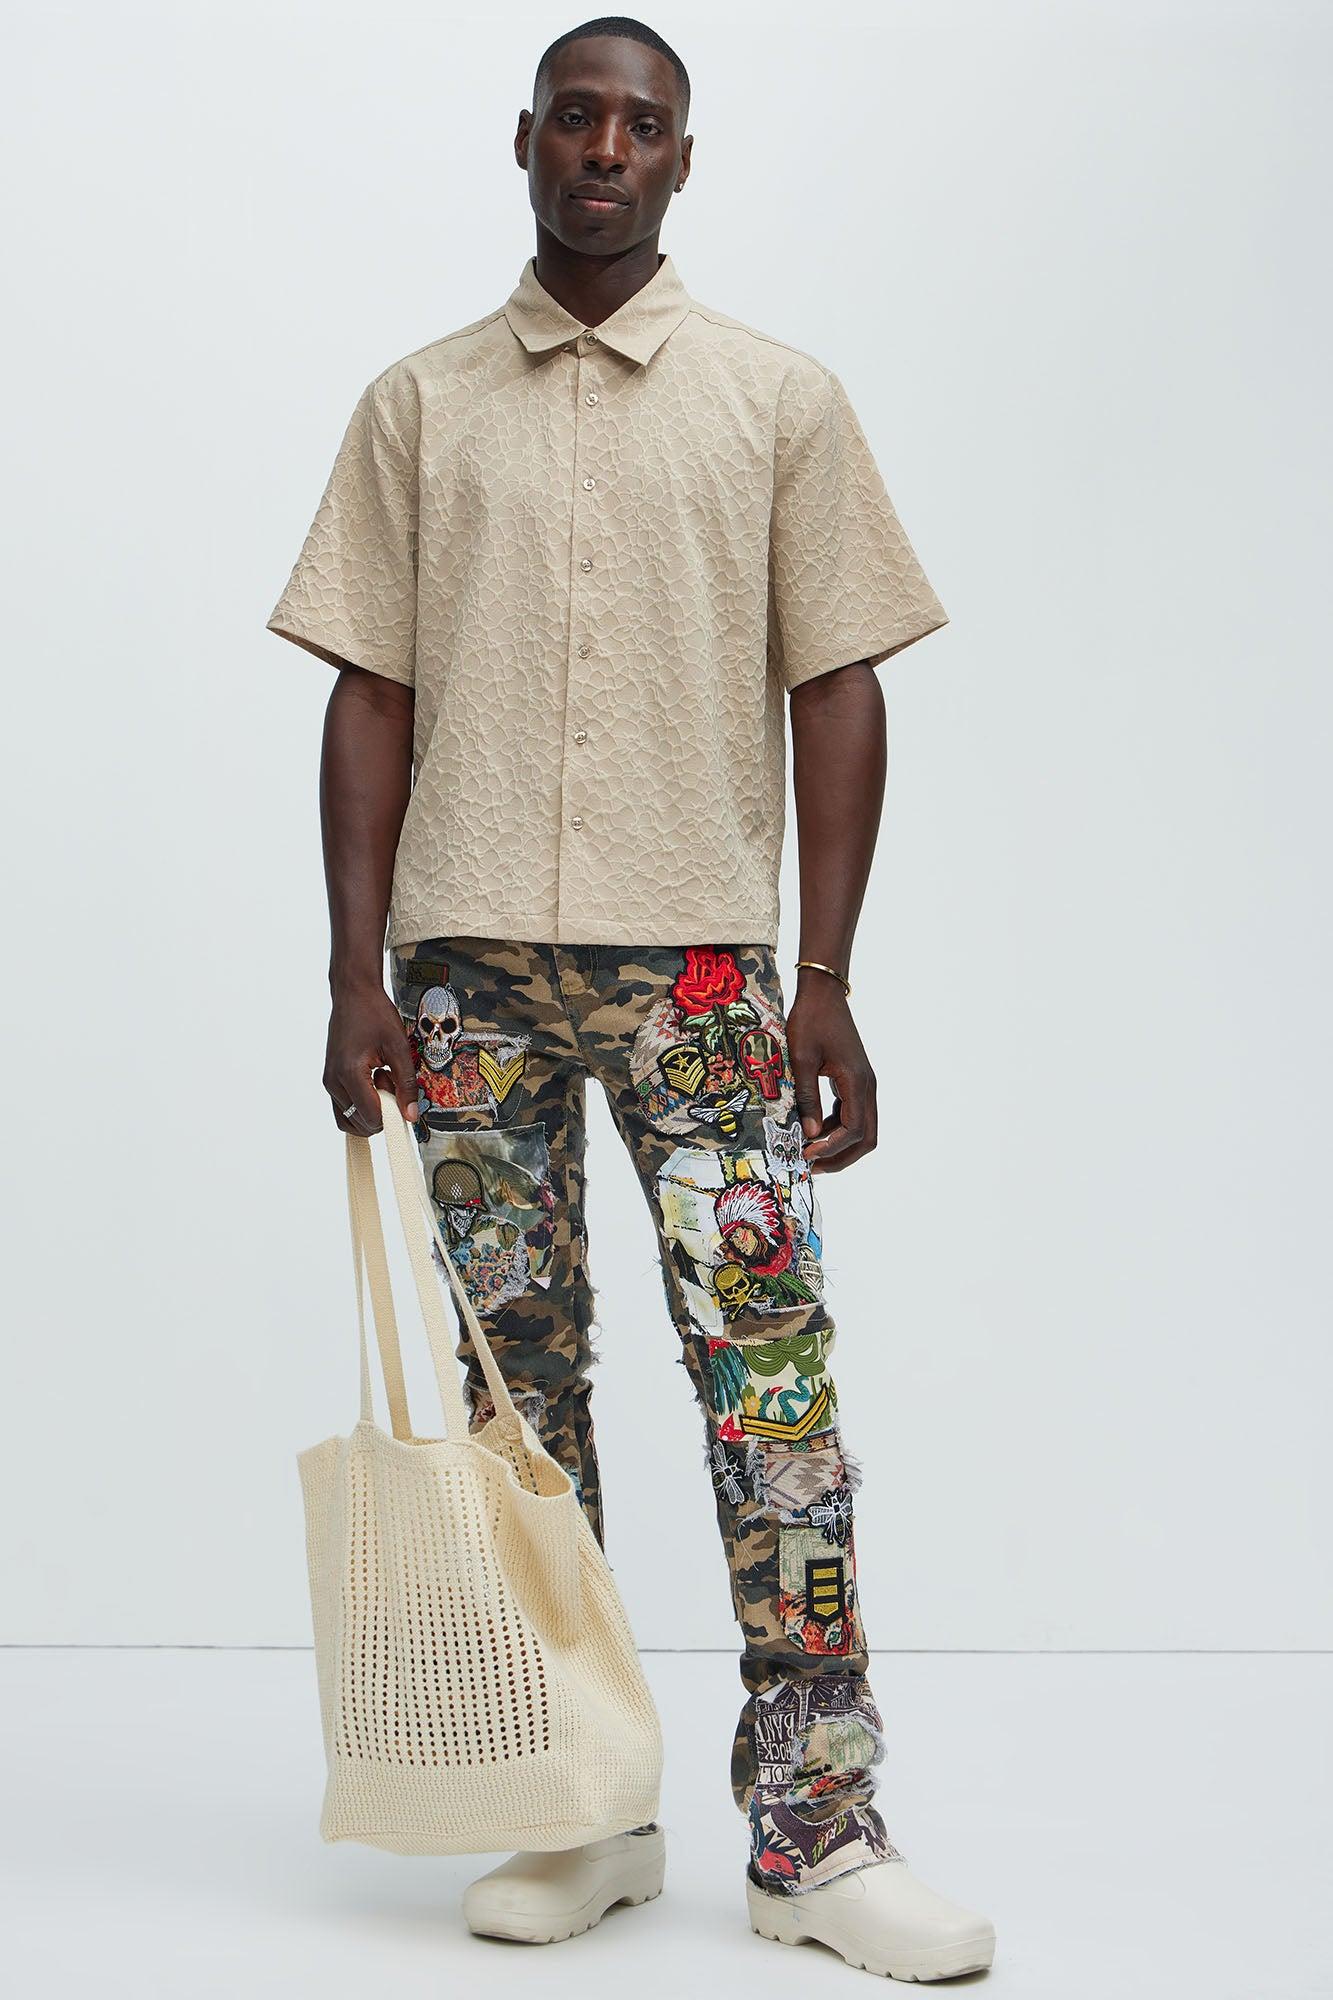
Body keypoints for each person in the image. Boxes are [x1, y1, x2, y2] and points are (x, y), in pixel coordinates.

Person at [265, 13, 995, 1983]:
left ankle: (817, 1840)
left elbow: (838, 679)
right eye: (575, 117)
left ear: (682, 159)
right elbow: (369, 693)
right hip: (464, 978)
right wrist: (352, 973)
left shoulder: (777, 399)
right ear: (521, 142)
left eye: (641, 124)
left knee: (772, 1393)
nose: (605, 147)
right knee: (516, 1409)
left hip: (702, 973)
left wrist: (821, 976)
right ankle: (577, 1801)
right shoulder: (419, 405)